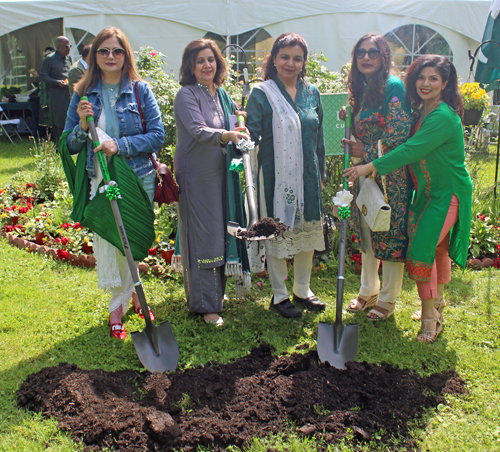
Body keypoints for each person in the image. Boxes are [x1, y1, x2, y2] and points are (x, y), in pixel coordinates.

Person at [344, 55, 472, 342]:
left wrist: (369, 165)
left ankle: (430, 320)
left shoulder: (441, 116)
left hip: (447, 193)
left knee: (420, 252)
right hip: (426, 192)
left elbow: (411, 149)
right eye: (421, 77)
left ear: (445, 83)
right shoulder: (423, 111)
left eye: (434, 78)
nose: (425, 83)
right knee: (438, 249)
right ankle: (437, 303)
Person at [61, 27, 165, 339]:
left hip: (138, 177)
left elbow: (157, 135)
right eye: (103, 51)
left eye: (116, 51)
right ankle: (116, 305)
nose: (110, 56)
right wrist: (81, 125)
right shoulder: (82, 92)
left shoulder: (139, 90)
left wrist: (119, 146)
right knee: (111, 237)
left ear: (125, 55)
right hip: (102, 178)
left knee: (132, 237)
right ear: (94, 56)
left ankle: (135, 294)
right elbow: (69, 145)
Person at [245, 32, 326, 318]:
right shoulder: (262, 93)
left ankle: (303, 289)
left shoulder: (312, 93)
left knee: (307, 230)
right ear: (274, 59)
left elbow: (319, 139)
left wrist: (322, 172)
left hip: (308, 176)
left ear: (304, 62)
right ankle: (279, 294)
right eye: (285, 57)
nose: (291, 63)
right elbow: (251, 134)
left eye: (297, 58)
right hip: (275, 178)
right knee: (277, 231)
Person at [174, 38, 250, 326]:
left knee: (220, 230)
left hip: (221, 173)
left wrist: (240, 130)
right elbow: (197, 129)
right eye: (200, 60)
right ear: (191, 67)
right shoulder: (186, 95)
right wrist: (228, 136)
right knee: (204, 236)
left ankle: (215, 293)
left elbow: (232, 124)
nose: (207, 65)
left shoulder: (221, 94)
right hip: (197, 175)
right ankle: (206, 305)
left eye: (211, 59)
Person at [340, 33, 412, 320]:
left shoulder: (393, 86)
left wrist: (365, 150)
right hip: (365, 174)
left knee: (391, 232)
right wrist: (349, 114)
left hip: (391, 174)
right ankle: (368, 289)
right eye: (361, 53)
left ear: (384, 57)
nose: (366, 58)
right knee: (367, 229)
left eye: (373, 52)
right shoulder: (362, 87)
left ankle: (388, 298)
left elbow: (400, 134)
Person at [40, 37, 72, 144]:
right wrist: (56, 82)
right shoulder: (49, 59)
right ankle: (59, 145)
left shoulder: (68, 59)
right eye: (66, 47)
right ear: (58, 47)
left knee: (69, 117)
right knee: (58, 120)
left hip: (68, 93)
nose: (68, 49)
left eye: (69, 46)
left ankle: (69, 143)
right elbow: (43, 76)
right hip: (56, 95)